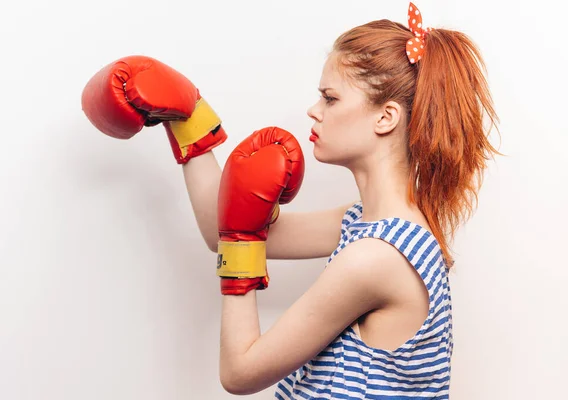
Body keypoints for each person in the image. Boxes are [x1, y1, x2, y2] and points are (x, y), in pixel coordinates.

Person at [81, 2, 499, 398]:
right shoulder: (369, 225)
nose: (314, 111)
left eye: (330, 98)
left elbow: (240, 372)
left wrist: (242, 244)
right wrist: (189, 119)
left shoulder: (376, 258)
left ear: (385, 117)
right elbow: (221, 230)